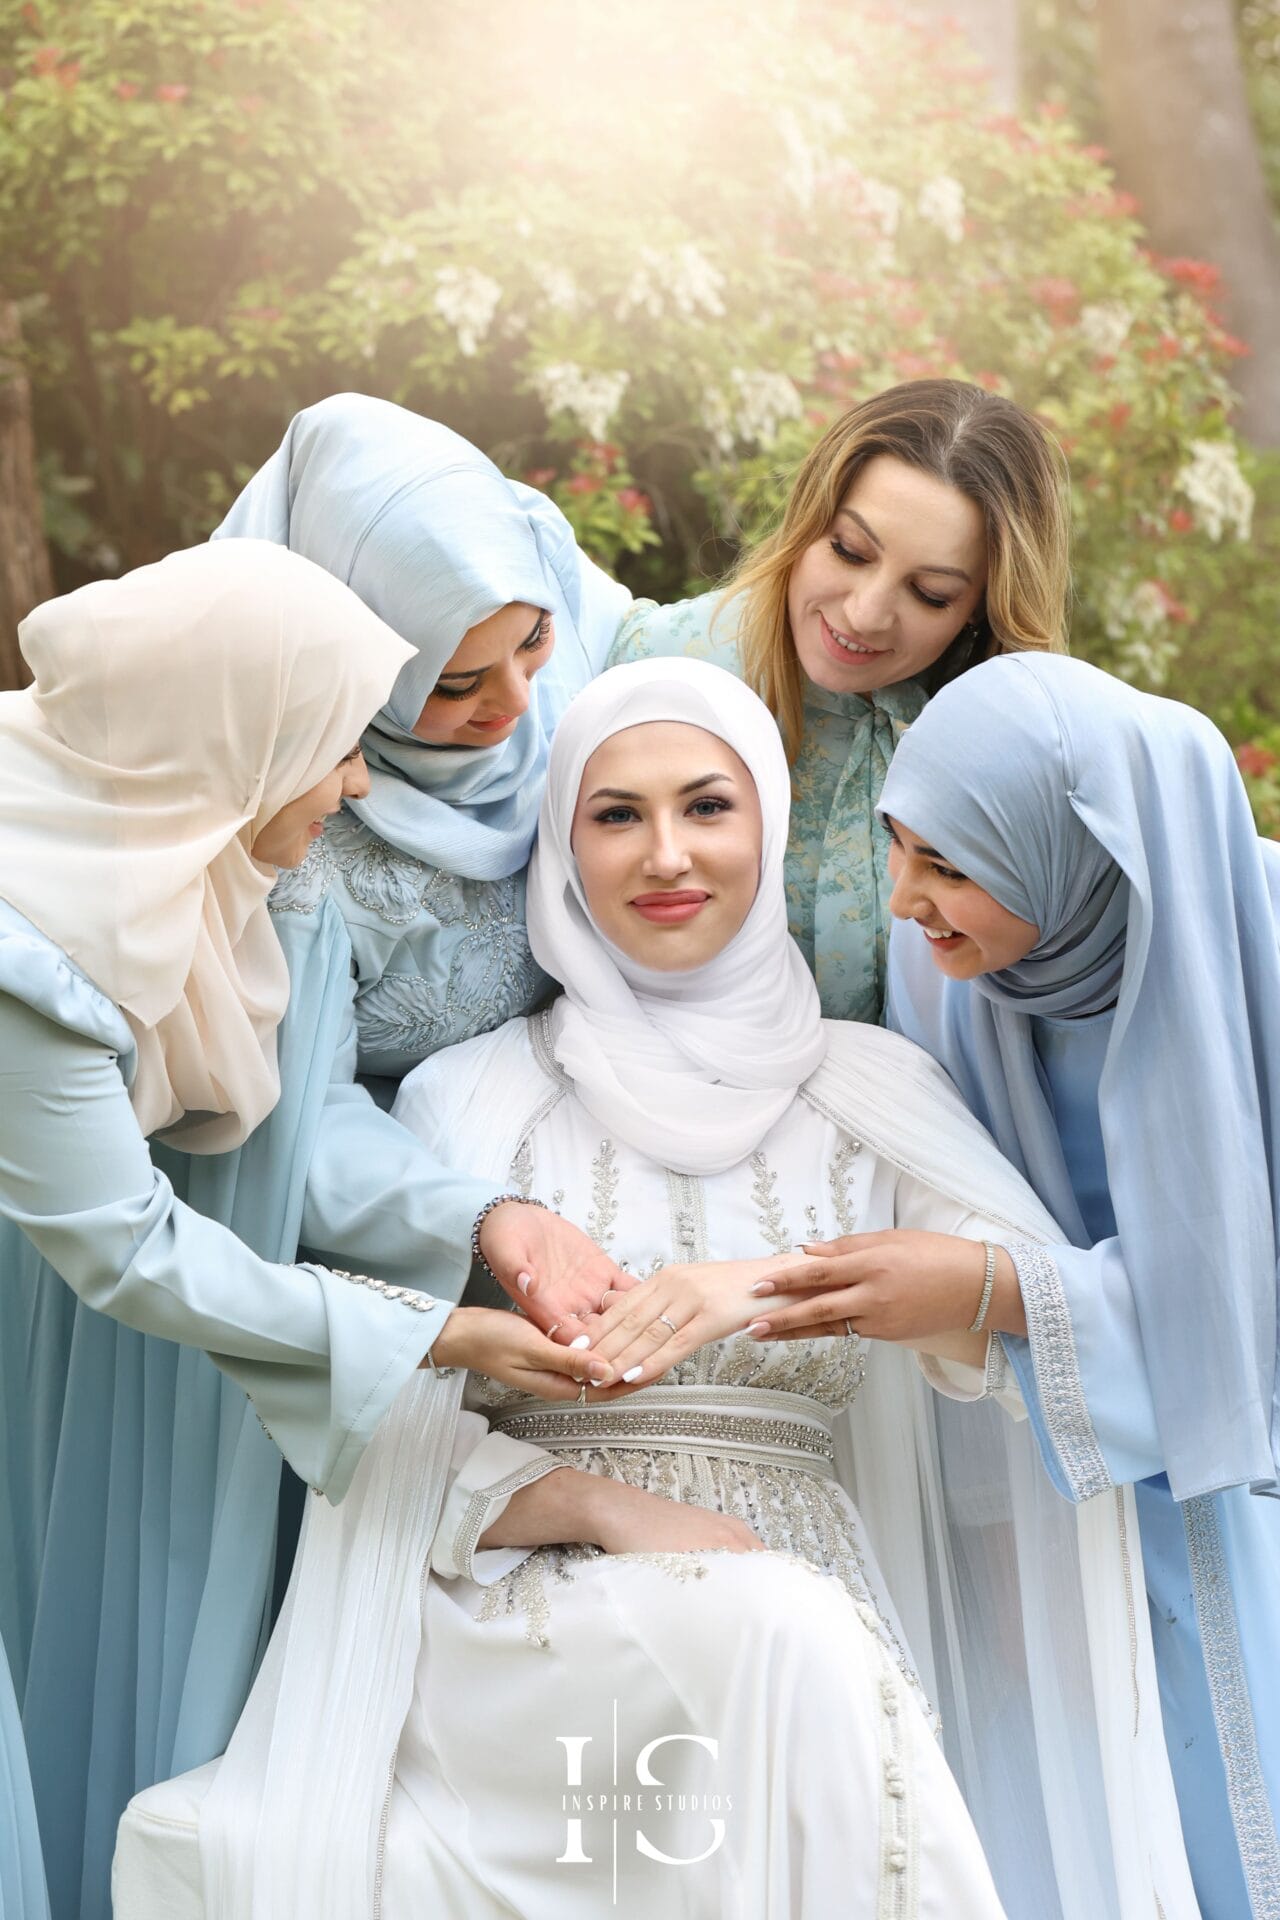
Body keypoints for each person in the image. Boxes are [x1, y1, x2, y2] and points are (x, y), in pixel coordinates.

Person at [121, 661, 1194, 1920]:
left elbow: (1079, 1317)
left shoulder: (871, 1088)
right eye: (615, 815)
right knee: (782, 1638)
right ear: (563, 842)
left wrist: (762, 1287)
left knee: (794, 1643)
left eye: (707, 807)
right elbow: (373, 1411)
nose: (665, 856)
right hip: (523, 1614)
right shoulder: (468, 1100)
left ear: (771, 825)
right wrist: (591, 1503)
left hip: (799, 1604)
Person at [0, 542, 601, 1920]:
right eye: (330, 749)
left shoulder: (154, 862)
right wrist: (433, 1328)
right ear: (229, 741)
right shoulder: (25, 940)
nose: (357, 785)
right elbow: (127, 1245)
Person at [753, 652, 1280, 1919]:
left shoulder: (1250, 927)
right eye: (897, 847)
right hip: (1069, 1480)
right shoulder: (953, 984)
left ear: (1078, 853)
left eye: (949, 866)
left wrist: (997, 1288)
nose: (904, 902)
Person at [610, 377, 1070, 1021]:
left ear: (979, 610)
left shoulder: (1009, 757)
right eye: (850, 551)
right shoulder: (655, 668)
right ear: (807, 523)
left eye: (931, 592)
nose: (864, 614)